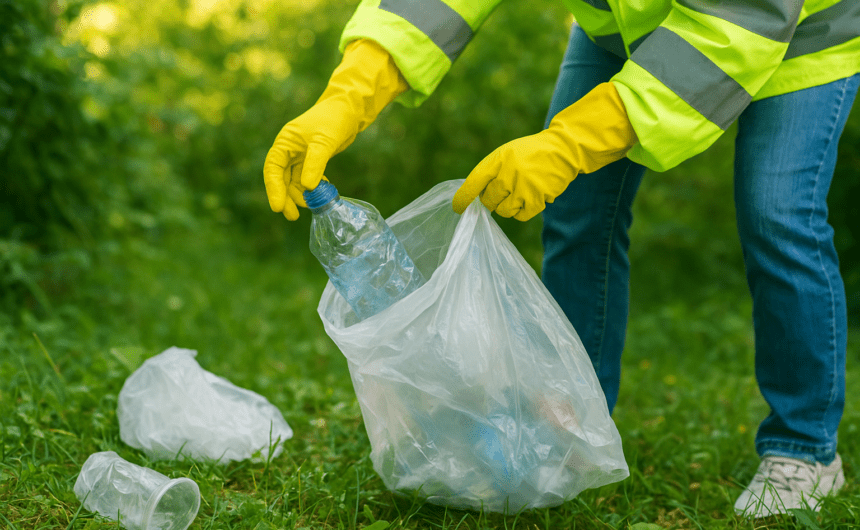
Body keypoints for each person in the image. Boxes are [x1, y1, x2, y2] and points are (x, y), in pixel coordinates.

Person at [263, 0, 860, 519]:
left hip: (797, 31)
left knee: (777, 214)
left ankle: (803, 449)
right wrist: (350, 92)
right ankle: (573, 423)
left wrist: (571, 143)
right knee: (577, 210)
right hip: (622, 27)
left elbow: (739, 21)